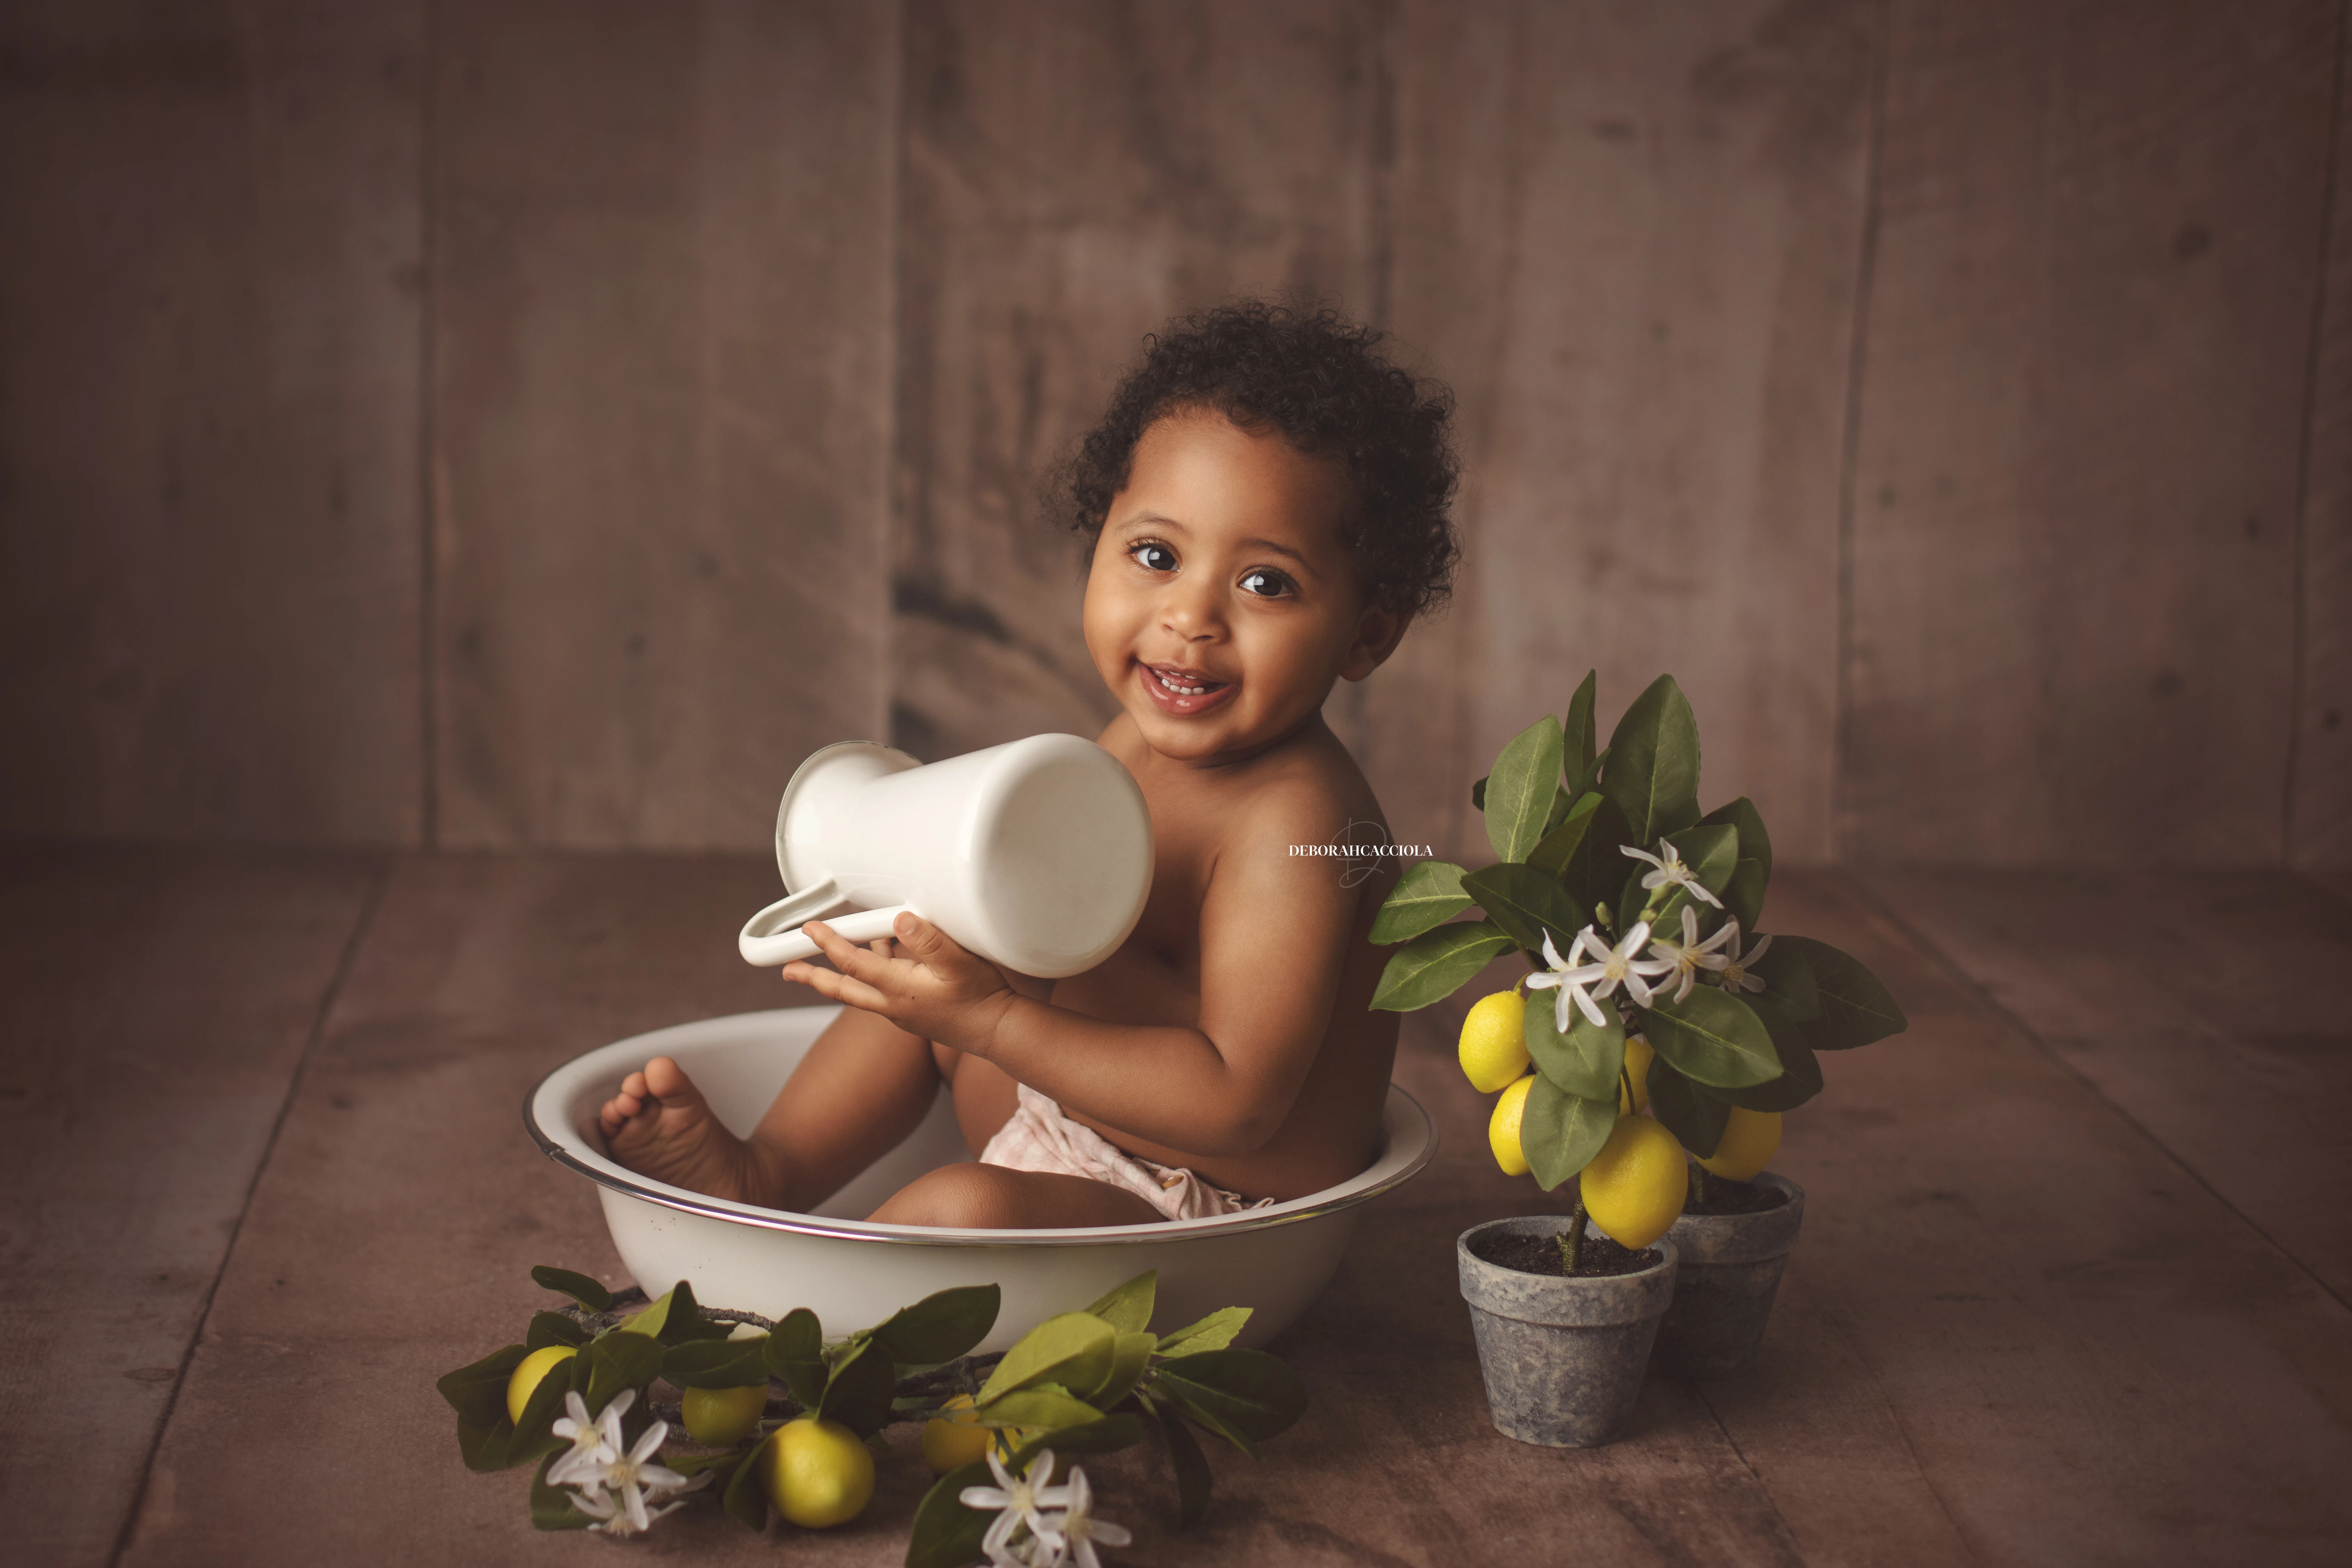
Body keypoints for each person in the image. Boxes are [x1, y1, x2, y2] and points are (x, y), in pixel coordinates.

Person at [599, 301, 1460, 1227]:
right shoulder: (1128, 738)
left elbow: (1236, 1100)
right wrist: (963, 968)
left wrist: (995, 1023)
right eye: (1156, 555)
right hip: (1070, 1107)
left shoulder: (1300, 823)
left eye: (1265, 583)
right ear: (1097, 540)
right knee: (934, 959)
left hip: (1205, 1200)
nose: (1191, 617)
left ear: (1366, 632)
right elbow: (1048, 938)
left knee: (964, 1202)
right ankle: (768, 1172)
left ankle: (821, 1307)